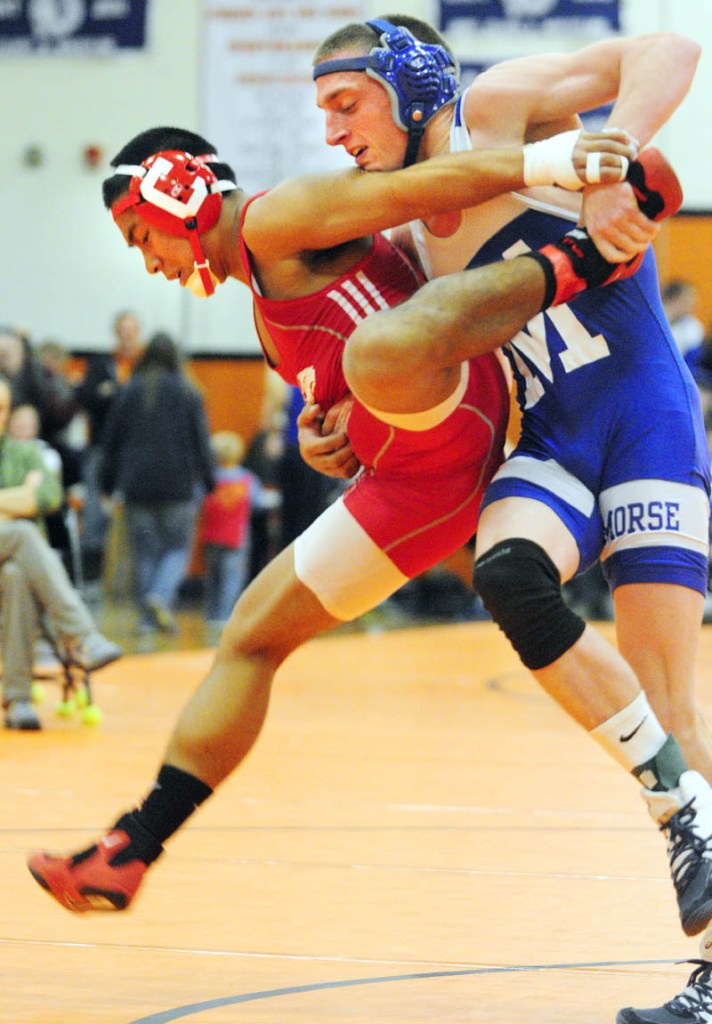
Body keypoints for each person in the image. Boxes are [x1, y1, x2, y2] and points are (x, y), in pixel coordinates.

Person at [25, 123, 692, 930]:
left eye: (141, 236)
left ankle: (580, 260)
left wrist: (552, 162)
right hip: (413, 477)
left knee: (378, 355)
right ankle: (134, 846)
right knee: (251, 635)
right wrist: (318, 424)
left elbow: (416, 189)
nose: (149, 261)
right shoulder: (262, 299)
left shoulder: (276, 219)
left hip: (447, 427)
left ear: (175, 189)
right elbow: (333, 364)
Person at [311, 16, 711, 1021]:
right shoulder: (403, 239)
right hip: (554, 439)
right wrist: (342, 429)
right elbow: (416, 372)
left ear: (408, 93)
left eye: (343, 105)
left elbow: (669, 45)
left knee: (672, 695)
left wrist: (608, 159)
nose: (332, 135)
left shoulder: (500, 111)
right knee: (509, 574)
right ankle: (680, 809)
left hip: (644, 416)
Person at [0, 378, 122, 730]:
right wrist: (19, 499)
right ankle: (82, 635)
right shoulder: (28, 462)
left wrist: (28, 499)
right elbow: (27, 502)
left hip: (15, 569)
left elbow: (48, 498)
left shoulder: (26, 452)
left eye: (3, 408)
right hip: (21, 544)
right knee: (22, 533)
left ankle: (18, 700)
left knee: (15, 574)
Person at [99, 331, 215, 634]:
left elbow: (110, 442)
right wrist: (210, 480)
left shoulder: (130, 390)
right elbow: (201, 441)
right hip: (178, 486)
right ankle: (159, 598)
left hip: (137, 485)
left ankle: (147, 620)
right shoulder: (189, 391)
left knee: (145, 552)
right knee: (177, 548)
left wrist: (106, 485)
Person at [76, 310, 145, 579]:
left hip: (135, 452)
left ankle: (135, 584)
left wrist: (112, 393)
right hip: (101, 449)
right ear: (116, 333)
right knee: (95, 514)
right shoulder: (100, 364)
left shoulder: (146, 367)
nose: (127, 336)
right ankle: (92, 582)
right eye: (122, 330)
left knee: (137, 517)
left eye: (132, 330)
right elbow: (88, 397)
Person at [199, 430, 267, 626]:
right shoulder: (247, 479)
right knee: (232, 579)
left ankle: (210, 616)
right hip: (236, 537)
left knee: (212, 578)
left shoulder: (209, 479)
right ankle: (224, 616)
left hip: (211, 535)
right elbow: (258, 502)